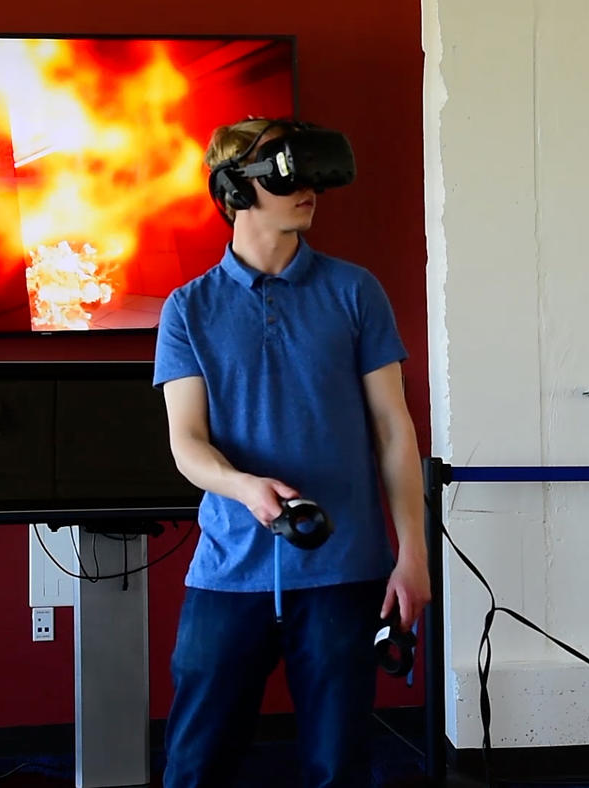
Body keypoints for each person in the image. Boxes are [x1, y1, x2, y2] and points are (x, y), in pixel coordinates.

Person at [153, 117, 430, 788]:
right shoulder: (187, 308)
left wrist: (413, 556)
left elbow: (394, 427)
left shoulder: (354, 291)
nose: (308, 192)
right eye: (287, 177)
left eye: (314, 177)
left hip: (344, 568)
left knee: (339, 766)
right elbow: (186, 443)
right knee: (196, 765)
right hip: (229, 568)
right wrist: (245, 488)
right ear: (234, 190)